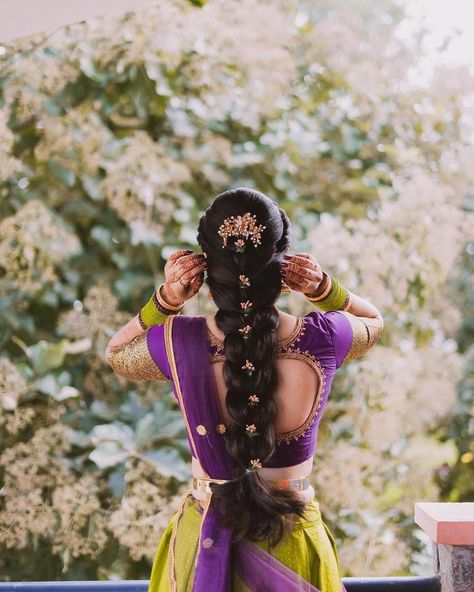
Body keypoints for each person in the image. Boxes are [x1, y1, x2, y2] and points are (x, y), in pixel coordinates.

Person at [105, 187, 384, 592]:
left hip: (202, 545)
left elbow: (117, 352)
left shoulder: (176, 342)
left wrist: (166, 300)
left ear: (207, 273)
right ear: (282, 264)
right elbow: (373, 320)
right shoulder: (323, 337)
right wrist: (325, 289)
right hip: (292, 540)